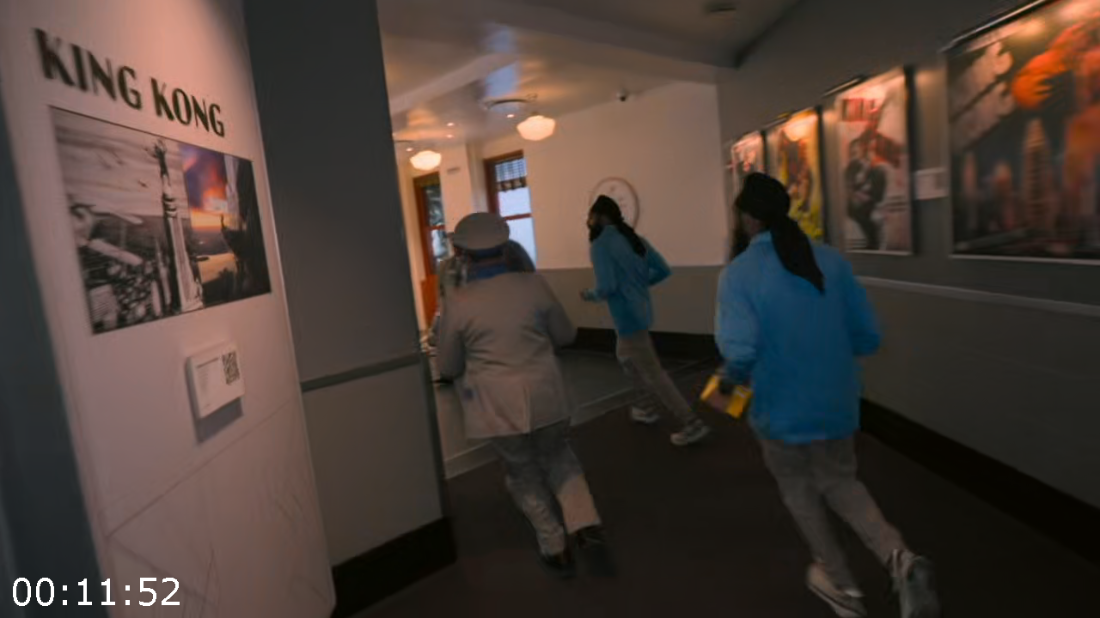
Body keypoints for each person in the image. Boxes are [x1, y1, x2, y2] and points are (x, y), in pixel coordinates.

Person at [710, 173, 940, 618]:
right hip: (837, 400)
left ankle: (841, 584)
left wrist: (725, 385)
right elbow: (868, 336)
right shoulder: (831, 261)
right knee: (841, 482)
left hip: (780, 408)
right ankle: (900, 559)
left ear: (748, 218)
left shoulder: (738, 274)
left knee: (799, 490)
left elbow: (740, 350)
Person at [437, 213, 612, 578]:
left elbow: (448, 366)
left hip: (496, 405)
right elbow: (565, 335)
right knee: (559, 456)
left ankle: (554, 545)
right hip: (546, 392)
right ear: (505, 246)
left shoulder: (459, 301)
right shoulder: (534, 284)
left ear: (461, 253)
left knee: (522, 471)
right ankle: (584, 521)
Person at [581, 196, 711, 447]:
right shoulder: (634, 240)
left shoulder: (600, 244)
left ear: (601, 216)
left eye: (591, 215)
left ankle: (692, 423)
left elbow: (607, 286)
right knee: (626, 359)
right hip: (641, 311)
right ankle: (645, 406)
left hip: (626, 317)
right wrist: (639, 286)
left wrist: (589, 295)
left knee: (653, 372)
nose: (589, 220)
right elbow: (663, 270)